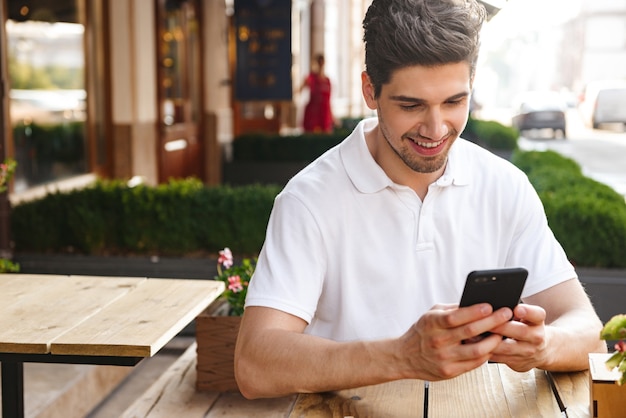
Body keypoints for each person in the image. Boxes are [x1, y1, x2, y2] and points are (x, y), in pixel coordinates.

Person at [234, 0, 606, 399]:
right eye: (411, 105)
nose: (435, 128)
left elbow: (589, 332)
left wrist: (543, 345)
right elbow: (254, 364)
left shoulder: (505, 186)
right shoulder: (308, 200)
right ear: (370, 91)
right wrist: (401, 357)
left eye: (453, 102)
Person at [300, 53, 334, 133]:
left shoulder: (327, 81)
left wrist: (332, 116)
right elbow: (299, 90)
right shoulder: (311, 78)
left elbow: (329, 101)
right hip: (313, 114)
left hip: (324, 114)